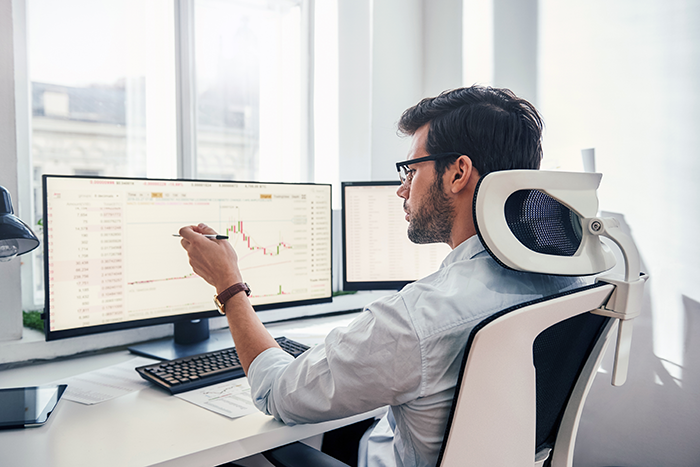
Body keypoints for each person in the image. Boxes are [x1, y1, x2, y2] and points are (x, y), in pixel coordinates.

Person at [178, 86, 584, 467]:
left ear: (458, 173)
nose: (402, 189)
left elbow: (276, 394)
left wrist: (229, 285)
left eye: (411, 170)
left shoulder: (416, 318)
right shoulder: (571, 279)